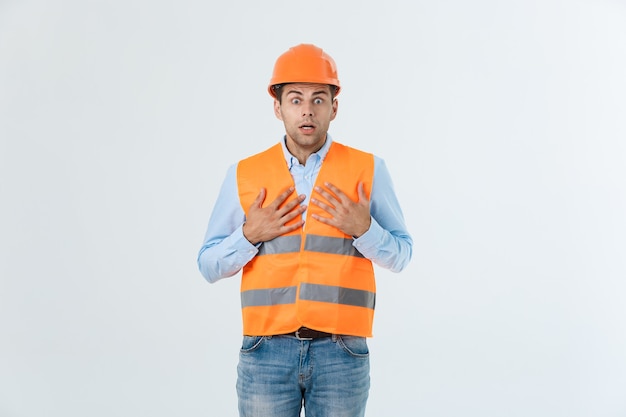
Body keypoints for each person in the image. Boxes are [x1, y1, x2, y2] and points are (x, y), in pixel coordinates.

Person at [197, 43, 413, 417]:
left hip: (342, 352)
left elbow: (402, 255)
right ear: (278, 107)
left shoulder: (369, 169)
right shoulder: (244, 174)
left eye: (318, 99)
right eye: (296, 99)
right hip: (264, 352)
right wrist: (249, 235)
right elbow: (208, 264)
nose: (307, 110)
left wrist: (365, 229)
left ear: (334, 107)